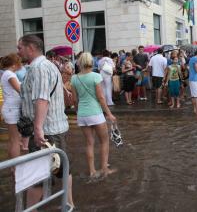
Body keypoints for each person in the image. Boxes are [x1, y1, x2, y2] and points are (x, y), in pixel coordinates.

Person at [17, 35, 75, 210]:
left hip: (46, 130)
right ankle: (69, 204)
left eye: (20, 47)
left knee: (36, 176)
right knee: (62, 168)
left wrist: (37, 129)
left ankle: (31, 210)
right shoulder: (48, 66)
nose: (18, 51)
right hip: (53, 127)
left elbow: (42, 99)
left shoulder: (39, 68)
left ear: (31, 48)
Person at [71, 52, 117, 178]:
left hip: (82, 114)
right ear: (91, 62)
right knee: (104, 141)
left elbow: (74, 100)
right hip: (96, 113)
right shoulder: (96, 76)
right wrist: (109, 114)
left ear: (79, 63)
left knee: (89, 143)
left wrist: (78, 112)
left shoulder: (74, 78)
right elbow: (101, 98)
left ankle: (92, 171)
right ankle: (104, 169)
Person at [0, 54, 27, 159]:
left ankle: (13, 167)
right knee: (15, 140)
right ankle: (15, 168)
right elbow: (20, 90)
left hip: (10, 108)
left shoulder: (6, 74)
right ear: (14, 64)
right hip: (12, 109)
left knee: (12, 140)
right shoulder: (10, 74)